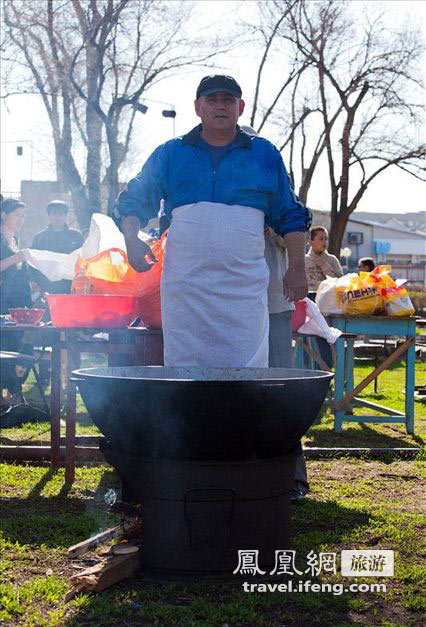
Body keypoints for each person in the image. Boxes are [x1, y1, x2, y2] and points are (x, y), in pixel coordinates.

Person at [114, 74, 311, 370]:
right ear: (198, 107)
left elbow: (290, 213)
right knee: (186, 368)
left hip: (245, 287)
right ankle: (187, 416)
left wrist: (297, 267)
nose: (221, 106)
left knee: (245, 370)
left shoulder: (264, 154)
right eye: (212, 99)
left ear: (240, 107)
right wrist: (131, 238)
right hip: (186, 287)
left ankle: (242, 416)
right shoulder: (172, 152)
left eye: (228, 100)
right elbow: (136, 197)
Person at [0, 198, 33, 404]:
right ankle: (8, 395)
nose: (21, 219)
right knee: (5, 347)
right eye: (17, 215)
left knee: (20, 346)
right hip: (2, 303)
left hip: (18, 304)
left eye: (23, 215)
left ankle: (12, 393)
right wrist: (16, 258)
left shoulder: (15, 239)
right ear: (4, 215)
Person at [31, 200, 84, 294]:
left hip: (71, 284)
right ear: (49, 216)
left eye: (60, 213)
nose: (57, 217)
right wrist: (35, 281)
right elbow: (33, 262)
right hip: (46, 284)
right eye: (54, 213)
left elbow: (83, 259)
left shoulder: (76, 236)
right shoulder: (40, 237)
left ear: (65, 215)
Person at [305, 226, 343, 293]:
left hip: (328, 298)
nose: (324, 242)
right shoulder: (304, 260)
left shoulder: (332, 259)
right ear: (311, 241)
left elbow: (340, 283)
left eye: (326, 239)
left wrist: (324, 266)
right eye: (321, 239)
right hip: (309, 299)